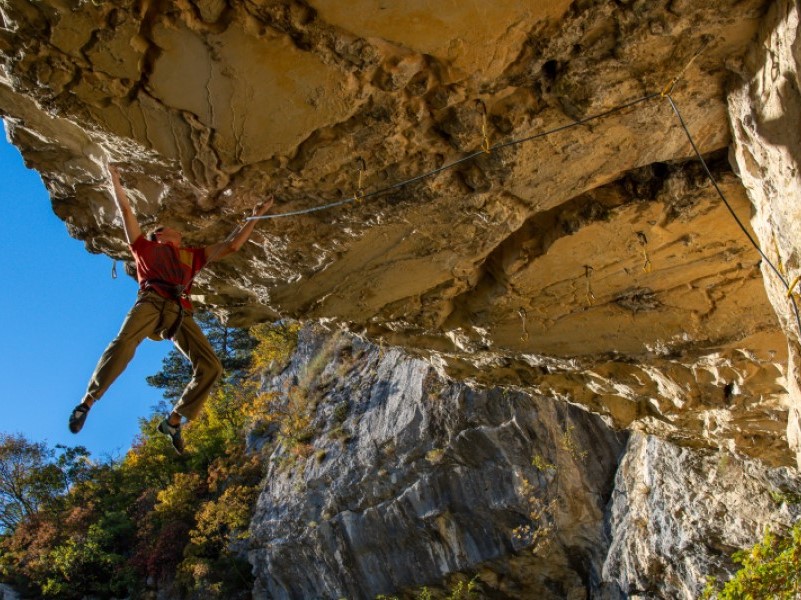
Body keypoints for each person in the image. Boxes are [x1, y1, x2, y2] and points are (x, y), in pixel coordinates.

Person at [67, 164, 273, 454]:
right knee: (124, 343)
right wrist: (113, 179)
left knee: (211, 366)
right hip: (151, 302)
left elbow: (232, 245)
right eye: (170, 227)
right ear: (160, 235)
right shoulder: (143, 248)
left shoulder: (192, 255)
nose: (178, 229)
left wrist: (258, 214)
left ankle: (173, 421)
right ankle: (88, 401)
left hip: (179, 313)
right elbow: (127, 212)